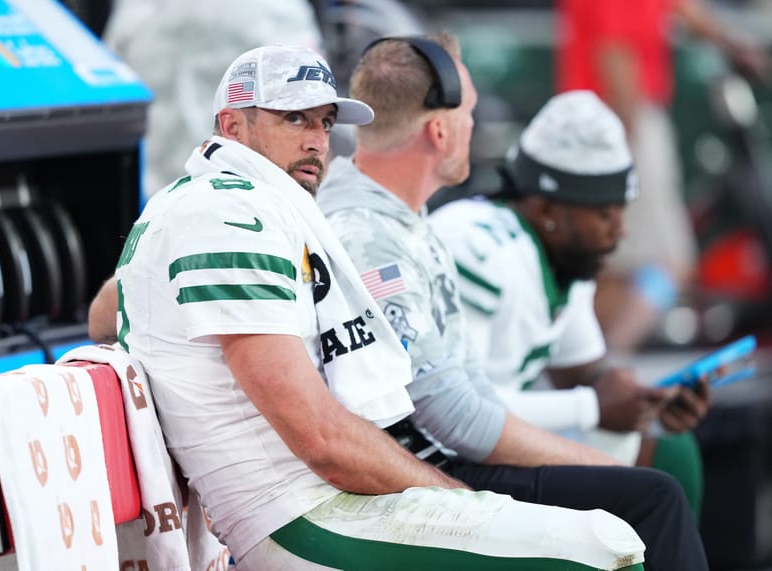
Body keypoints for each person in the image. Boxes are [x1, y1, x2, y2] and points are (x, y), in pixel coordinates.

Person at [99, 44, 650, 569]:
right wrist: (456, 498)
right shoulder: (227, 214)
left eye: (324, 122)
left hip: (312, 499)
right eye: (294, 119)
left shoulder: (211, 204)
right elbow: (324, 440)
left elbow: (109, 308)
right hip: (298, 518)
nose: (317, 141)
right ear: (232, 125)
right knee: (602, 543)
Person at [317, 34, 708, 570]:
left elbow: (475, 391)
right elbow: (454, 417)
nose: (475, 125)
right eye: (470, 112)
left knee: (652, 482)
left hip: (436, 458)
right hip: (411, 478)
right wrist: (596, 461)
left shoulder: (401, 220)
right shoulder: (370, 234)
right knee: (649, 496)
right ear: (439, 130)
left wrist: (625, 421)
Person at [430, 89, 711, 518]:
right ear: (546, 208)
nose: (619, 232)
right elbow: (459, 412)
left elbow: (584, 375)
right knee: (649, 487)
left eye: (622, 212)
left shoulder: (562, 256)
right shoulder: (477, 246)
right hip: (439, 461)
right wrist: (596, 406)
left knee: (668, 449)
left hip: (490, 445)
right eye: (605, 215)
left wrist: (648, 402)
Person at [556, 0, 769, 351]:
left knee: (619, 264)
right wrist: (621, 144)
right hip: (619, 117)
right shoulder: (619, 124)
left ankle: (593, 366)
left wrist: (735, 43)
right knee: (662, 263)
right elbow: (613, 50)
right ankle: (601, 367)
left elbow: (682, 7)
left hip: (624, 116)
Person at [103, 0, 322, 199]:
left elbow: (107, 97)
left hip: (151, 196)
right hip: (245, 201)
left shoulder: (136, 10)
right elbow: (308, 105)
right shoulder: (277, 12)